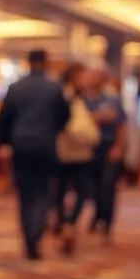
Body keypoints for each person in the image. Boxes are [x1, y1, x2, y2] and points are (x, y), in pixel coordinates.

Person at [0, 49, 70, 260]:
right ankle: (36, 233)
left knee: (25, 194)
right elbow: (65, 116)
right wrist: (51, 131)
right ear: (46, 62)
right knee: (43, 192)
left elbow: (4, 118)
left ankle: (29, 238)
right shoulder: (54, 88)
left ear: (29, 62)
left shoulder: (16, 88)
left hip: (21, 145)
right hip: (45, 145)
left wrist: (0, 143)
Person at [52, 63, 100, 256]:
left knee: (65, 190)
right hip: (70, 151)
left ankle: (66, 224)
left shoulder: (78, 96)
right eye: (83, 75)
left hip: (72, 151)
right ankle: (67, 223)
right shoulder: (68, 96)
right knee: (76, 190)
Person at [80, 67, 127, 241]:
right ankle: (97, 215)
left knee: (107, 186)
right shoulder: (81, 100)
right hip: (87, 148)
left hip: (108, 146)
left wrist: (119, 147)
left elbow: (120, 124)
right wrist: (99, 116)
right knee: (90, 187)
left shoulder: (112, 99)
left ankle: (106, 223)